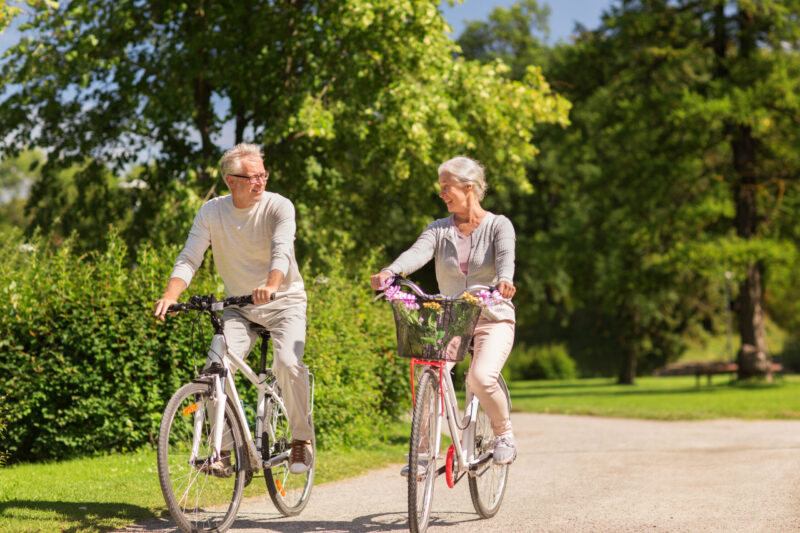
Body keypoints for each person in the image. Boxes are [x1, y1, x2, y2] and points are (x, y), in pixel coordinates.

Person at [154, 143, 313, 475]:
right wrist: (170, 294)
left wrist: (271, 284)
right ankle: (222, 451)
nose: (260, 182)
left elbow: (282, 249)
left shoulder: (278, 206)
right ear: (230, 180)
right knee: (215, 367)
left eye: (263, 175)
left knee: (287, 363)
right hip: (239, 308)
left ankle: (301, 439)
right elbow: (189, 257)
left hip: (284, 303)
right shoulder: (212, 212)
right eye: (251, 176)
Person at [370, 155, 517, 465]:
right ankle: (423, 450)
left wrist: (504, 280)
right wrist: (390, 271)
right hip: (451, 318)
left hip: (492, 316)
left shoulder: (498, 225)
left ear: (468, 188)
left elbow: (506, 258)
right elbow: (417, 253)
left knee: (480, 377)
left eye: (447, 187)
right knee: (430, 373)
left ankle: (504, 433)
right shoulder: (439, 229)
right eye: (441, 187)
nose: (442, 194)